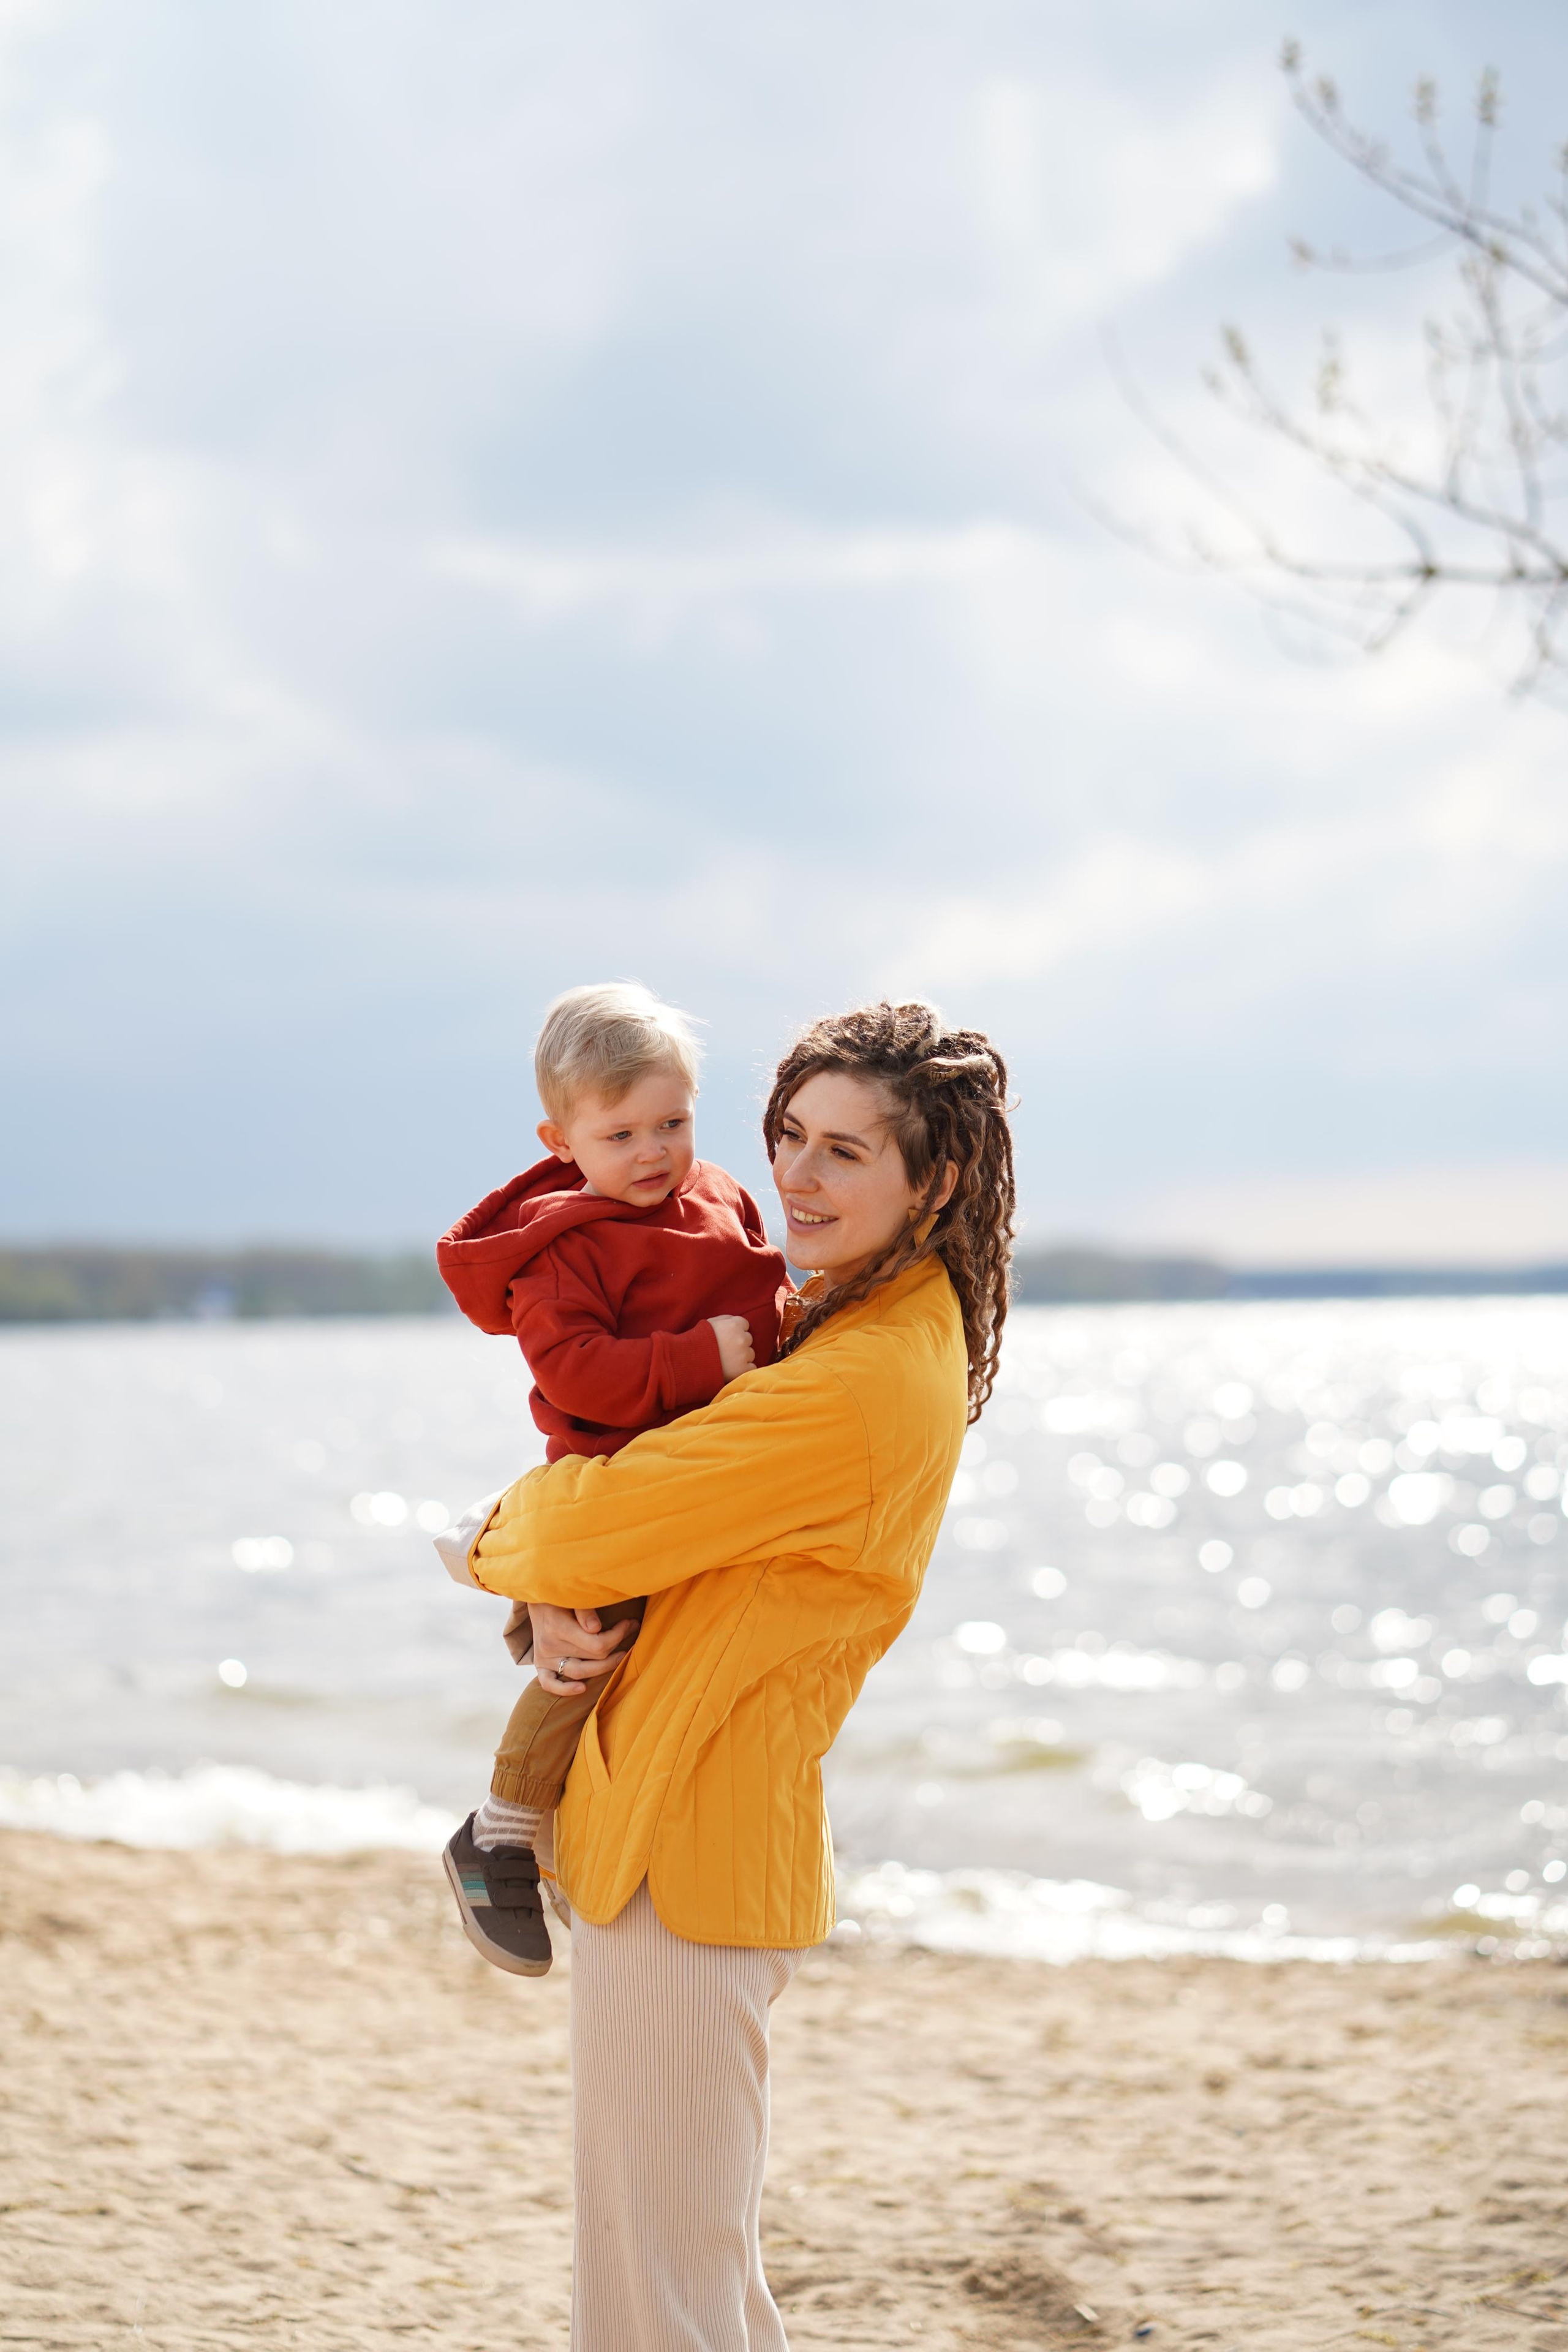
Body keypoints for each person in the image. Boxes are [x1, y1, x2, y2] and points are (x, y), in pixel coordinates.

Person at [441, 1000, 1015, 2352]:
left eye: (844, 1154)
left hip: (696, 1854)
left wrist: (481, 1543)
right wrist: (546, 1601)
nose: (798, 1181)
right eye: (788, 1141)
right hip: (679, 1829)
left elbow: (588, 1520)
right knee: (684, 2278)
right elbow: (648, 1531)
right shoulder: (838, 1325)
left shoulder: (857, 1375)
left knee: (659, 2298)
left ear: (932, 1180)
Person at [434, 980, 789, 1973]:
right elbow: (573, 1370)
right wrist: (700, 1359)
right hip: (611, 1472)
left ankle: (568, 1820)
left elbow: (771, 1291)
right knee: (590, 1648)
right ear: (562, 1140)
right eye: (620, 1133)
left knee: (668, 1661)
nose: (652, 1153)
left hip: (710, 1469)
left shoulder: (719, 1194)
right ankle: (499, 1830)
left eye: (671, 1122)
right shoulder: (566, 1244)